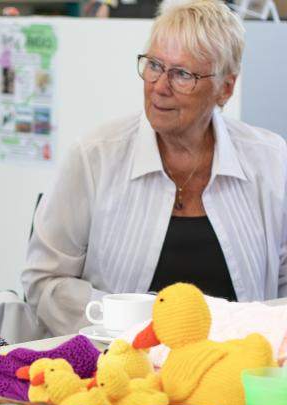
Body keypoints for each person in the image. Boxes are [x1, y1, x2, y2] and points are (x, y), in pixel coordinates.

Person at [22, 0, 287, 337]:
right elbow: (43, 281)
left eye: (182, 74)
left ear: (226, 88)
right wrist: (137, 324)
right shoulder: (96, 155)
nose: (160, 86)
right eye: (154, 65)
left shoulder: (270, 159)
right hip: (121, 368)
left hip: (236, 366)